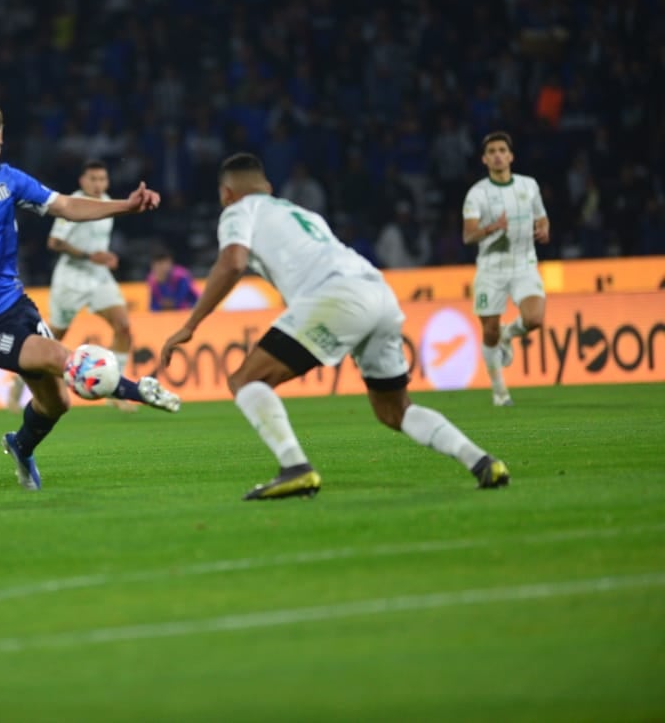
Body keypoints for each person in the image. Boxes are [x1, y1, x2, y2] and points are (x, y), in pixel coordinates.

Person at [160, 153, 510, 500]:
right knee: (394, 409)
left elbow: (232, 261)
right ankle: (482, 462)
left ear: (225, 194)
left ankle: (295, 467)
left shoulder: (238, 210)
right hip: (378, 291)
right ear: (267, 186)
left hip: (335, 295)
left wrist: (192, 323)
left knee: (245, 380)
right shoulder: (301, 212)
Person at [0, 101, 180, 492]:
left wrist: (124, 205)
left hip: (17, 305)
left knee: (57, 404)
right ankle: (137, 389)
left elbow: (66, 206)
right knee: (59, 358)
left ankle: (20, 445)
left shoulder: (8, 181)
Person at [12, 159, 136, 412]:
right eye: (93, 179)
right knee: (51, 340)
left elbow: (96, 244)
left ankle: (115, 390)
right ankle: (16, 387)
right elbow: (54, 243)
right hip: (70, 281)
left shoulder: (107, 202)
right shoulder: (73, 205)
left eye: (102, 179)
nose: (98, 184)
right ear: (82, 181)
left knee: (123, 327)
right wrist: (91, 256)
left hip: (99, 277)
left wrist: (104, 257)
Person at [462, 131, 550, 407]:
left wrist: (544, 226)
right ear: (484, 159)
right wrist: (491, 228)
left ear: (511, 156)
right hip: (491, 268)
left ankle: (508, 334)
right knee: (489, 331)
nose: (498, 155)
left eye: (502, 150)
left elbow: (542, 216)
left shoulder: (529, 186)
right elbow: (468, 236)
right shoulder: (477, 194)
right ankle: (500, 392)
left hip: (524, 264)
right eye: (492, 152)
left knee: (534, 319)